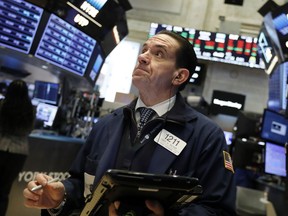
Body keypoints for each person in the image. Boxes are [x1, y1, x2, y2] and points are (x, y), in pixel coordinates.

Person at [23, 30, 236, 215]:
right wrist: (62, 196)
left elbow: (217, 209)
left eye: (158, 54)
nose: (143, 57)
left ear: (179, 76)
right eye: (144, 50)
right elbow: (81, 184)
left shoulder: (206, 136)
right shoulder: (107, 124)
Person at [0, 79, 35, 215]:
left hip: (1, 147)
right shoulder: (30, 110)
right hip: (19, 153)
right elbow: (29, 130)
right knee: (4, 191)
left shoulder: (2, 105)